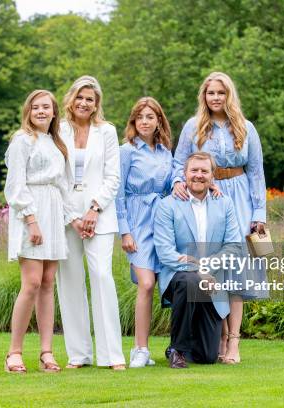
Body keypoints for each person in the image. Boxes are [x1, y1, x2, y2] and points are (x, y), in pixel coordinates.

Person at [172, 72, 268, 364]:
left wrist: (259, 213)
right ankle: (219, 337)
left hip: (240, 199)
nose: (215, 97)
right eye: (210, 93)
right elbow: (179, 162)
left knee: (237, 271)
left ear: (229, 96)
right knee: (214, 268)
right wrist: (178, 181)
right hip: (207, 197)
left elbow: (256, 172)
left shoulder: (246, 127)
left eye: (221, 93)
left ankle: (235, 342)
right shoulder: (193, 126)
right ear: (204, 96)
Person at [3, 90, 83, 374]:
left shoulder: (57, 143)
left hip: (53, 212)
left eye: (45, 107)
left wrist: (74, 219)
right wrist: (31, 220)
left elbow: (64, 186)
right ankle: (14, 353)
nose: (40, 111)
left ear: (53, 112)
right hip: (32, 212)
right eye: (35, 107)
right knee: (32, 283)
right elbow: (15, 186)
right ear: (28, 111)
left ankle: (47, 352)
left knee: (49, 282)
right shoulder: (22, 141)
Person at [56, 76, 126, 370]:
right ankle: (79, 355)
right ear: (71, 98)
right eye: (80, 97)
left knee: (101, 277)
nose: (84, 103)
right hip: (65, 216)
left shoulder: (106, 131)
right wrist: (73, 216)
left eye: (90, 99)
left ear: (97, 104)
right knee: (70, 281)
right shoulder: (57, 130)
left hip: (100, 215)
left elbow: (113, 176)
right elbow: (56, 176)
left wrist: (94, 209)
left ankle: (112, 355)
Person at [154, 152, 242, 368]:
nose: (199, 175)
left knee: (207, 357)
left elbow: (233, 246)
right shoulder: (168, 205)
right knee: (189, 281)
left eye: (204, 171)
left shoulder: (225, 204)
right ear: (184, 174)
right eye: (194, 170)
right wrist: (196, 270)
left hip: (212, 283)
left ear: (213, 176)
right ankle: (178, 350)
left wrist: (205, 267)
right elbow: (165, 252)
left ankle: (182, 345)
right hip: (179, 278)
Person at [115, 97, 172, 368]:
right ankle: (140, 348)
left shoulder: (165, 153)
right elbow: (118, 194)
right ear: (133, 122)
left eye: (150, 117)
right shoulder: (126, 151)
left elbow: (174, 185)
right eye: (140, 117)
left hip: (162, 221)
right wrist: (124, 231)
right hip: (137, 221)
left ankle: (179, 345)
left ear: (159, 120)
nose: (145, 122)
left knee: (167, 285)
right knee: (146, 283)